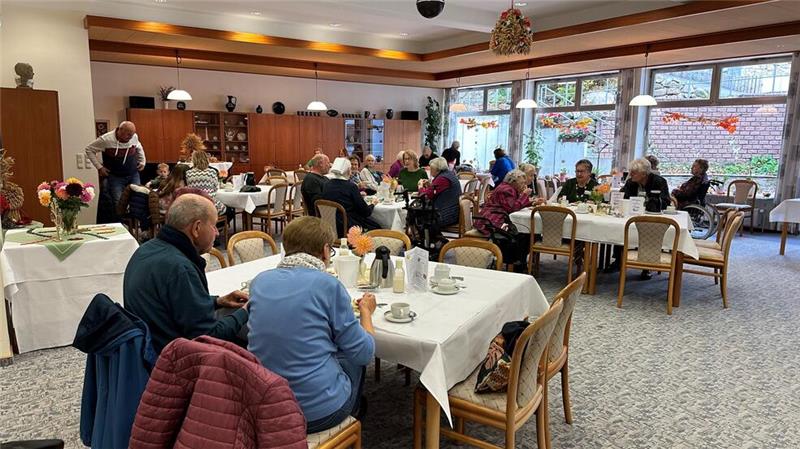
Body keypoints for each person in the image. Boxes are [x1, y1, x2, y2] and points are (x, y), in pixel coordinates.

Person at [248, 216, 375, 433]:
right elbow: (364, 353)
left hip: (264, 404)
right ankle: (352, 409)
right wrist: (366, 312)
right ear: (326, 250)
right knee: (353, 355)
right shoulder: (327, 285)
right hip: (316, 413)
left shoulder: (259, 281)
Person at [124, 193, 249, 354]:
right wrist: (245, 311)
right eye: (214, 226)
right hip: (174, 361)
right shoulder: (180, 268)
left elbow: (174, 304)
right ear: (196, 228)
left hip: (149, 349)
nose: (217, 233)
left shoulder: (146, 250)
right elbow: (208, 337)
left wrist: (217, 302)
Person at [85, 121, 146, 222]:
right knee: (118, 203)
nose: (131, 137)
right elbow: (89, 149)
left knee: (137, 199)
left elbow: (139, 147)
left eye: (132, 134)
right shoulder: (106, 139)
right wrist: (99, 167)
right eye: (128, 134)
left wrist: (142, 161)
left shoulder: (134, 137)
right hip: (115, 176)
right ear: (120, 130)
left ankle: (136, 227)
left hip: (133, 173)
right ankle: (122, 226)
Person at [322, 158, 381, 233]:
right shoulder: (351, 186)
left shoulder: (326, 184)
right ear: (347, 171)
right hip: (348, 225)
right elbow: (365, 212)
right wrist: (373, 204)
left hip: (329, 224)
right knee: (378, 227)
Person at [475, 169, 531, 236]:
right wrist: (525, 195)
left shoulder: (508, 187)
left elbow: (515, 203)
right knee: (522, 233)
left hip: (490, 218)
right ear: (513, 182)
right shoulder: (507, 190)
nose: (523, 186)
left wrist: (532, 202)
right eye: (521, 183)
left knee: (521, 232)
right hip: (490, 221)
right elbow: (513, 208)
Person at [419, 157, 462, 227]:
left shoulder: (442, 179)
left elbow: (426, 196)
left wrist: (420, 187)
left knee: (416, 213)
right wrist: (430, 185)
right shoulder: (449, 174)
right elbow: (436, 190)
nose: (430, 170)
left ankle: (424, 236)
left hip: (445, 214)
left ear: (437, 169)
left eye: (431, 168)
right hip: (453, 211)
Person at [185, 142, 225, 215]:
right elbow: (216, 189)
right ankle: (217, 224)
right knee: (229, 210)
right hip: (210, 204)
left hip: (195, 205)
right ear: (206, 159)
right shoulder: (212, 172)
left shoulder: (188, 173)